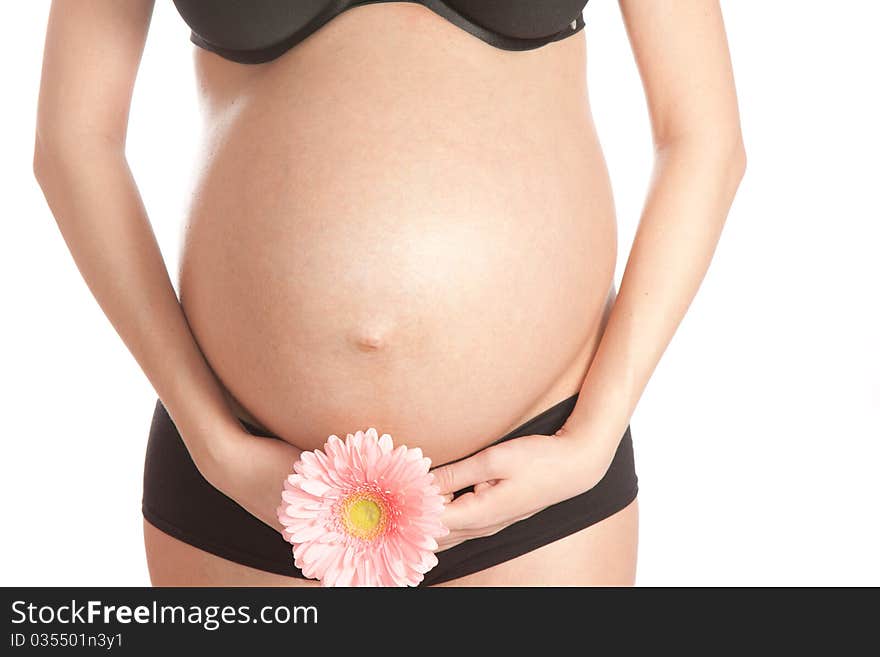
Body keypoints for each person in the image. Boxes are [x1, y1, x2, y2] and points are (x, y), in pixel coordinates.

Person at [33, 0, 745, 586]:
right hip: (244, 477)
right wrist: (214, 442)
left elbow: (703, 136)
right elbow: (74, 139)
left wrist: (591, 438)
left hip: (540, 470)